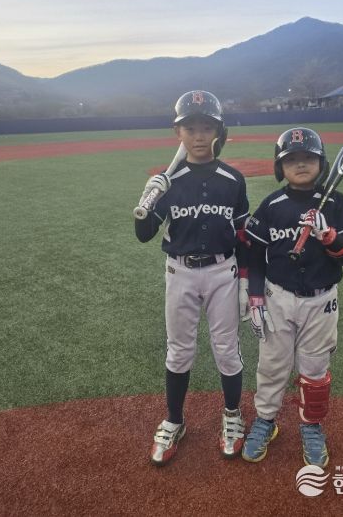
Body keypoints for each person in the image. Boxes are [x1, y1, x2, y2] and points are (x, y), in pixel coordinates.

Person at [135, 90, 249, 466]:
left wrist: (246, 282)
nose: (199, 136)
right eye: (190, 128)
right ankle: (174, 420)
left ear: (218, 131)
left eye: (206, 128)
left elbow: (242, 235)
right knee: (179, 350)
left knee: (226, 349)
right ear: (178, 132)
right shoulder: (168, 181)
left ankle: (232, 416)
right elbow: (144, 234)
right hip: (180, 271)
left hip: (222, 271)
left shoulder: (233, 180)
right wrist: (148, 200)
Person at [241, 127, 343, 467]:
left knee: (315, 368)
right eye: (291, 159)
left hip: (321, 302)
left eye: (308, 157)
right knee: (272, 364)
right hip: (277, 297)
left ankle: (312, 425)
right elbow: (254, 254)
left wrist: (329, 236)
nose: (301, 164)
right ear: (280, 167)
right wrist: (255, 296)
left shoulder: (337, 203)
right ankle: (266, 420)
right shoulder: (272, 205)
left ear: (322, 163)